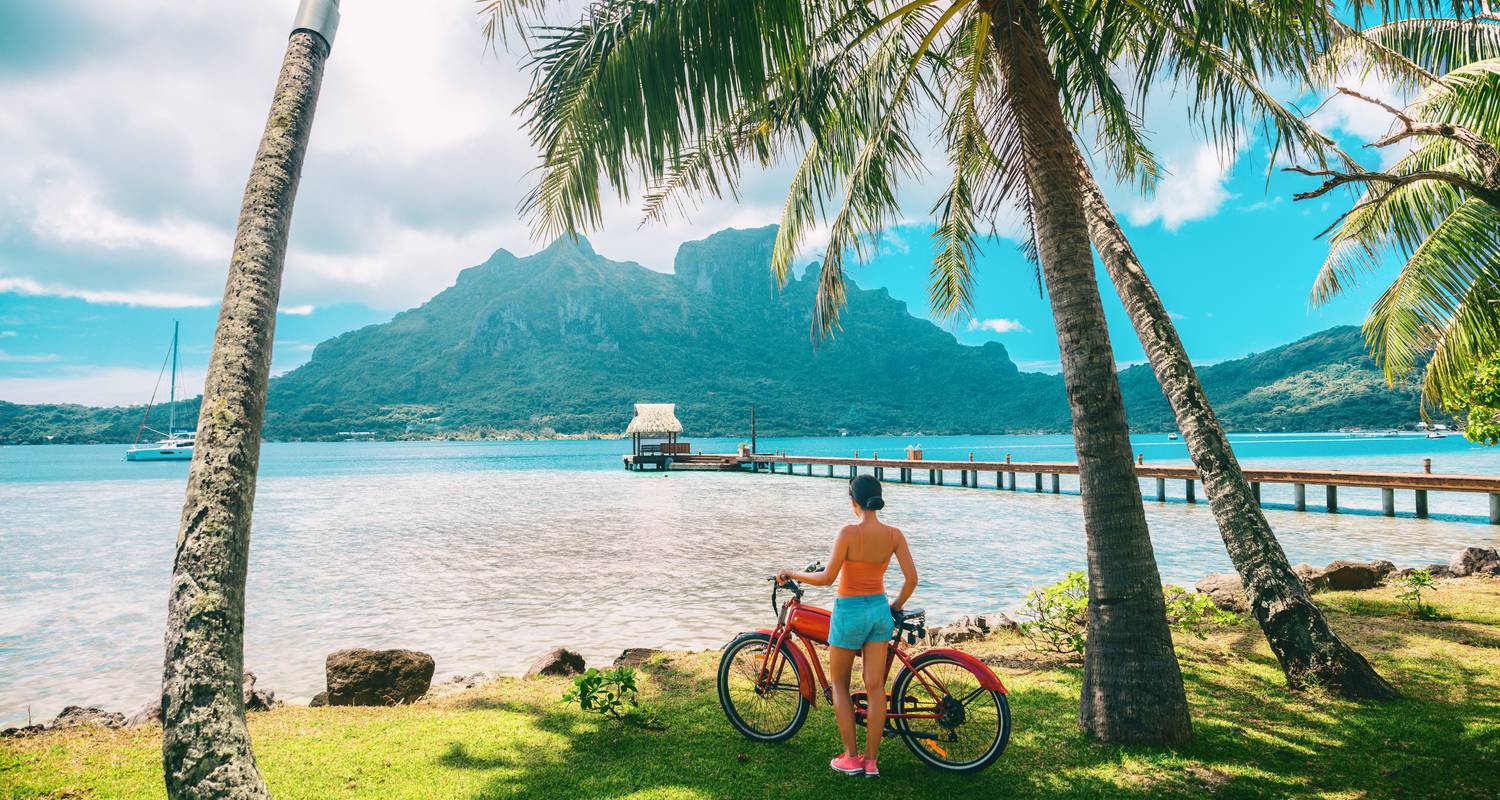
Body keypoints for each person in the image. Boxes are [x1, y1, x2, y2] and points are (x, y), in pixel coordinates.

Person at [778, 474, 918, 779]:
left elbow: (828, 578)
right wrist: (894, 606)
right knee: (876, 686)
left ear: (853, 501)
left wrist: (793, 573)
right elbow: (912, 579)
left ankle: (851, 758)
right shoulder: (894, 534)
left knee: (839, 684)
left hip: (850, 612)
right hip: (879, 610)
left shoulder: (848, 533)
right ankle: (871, 762)